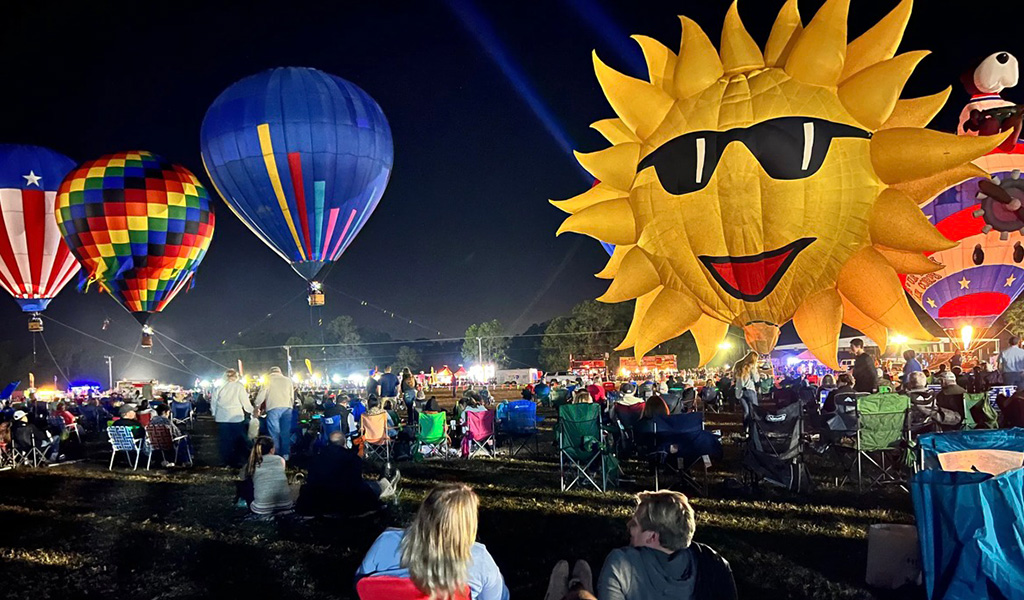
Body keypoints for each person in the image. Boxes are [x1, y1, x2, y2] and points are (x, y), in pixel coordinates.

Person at [545, 490, 736, 600]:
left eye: (635, 524)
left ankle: (574, 589)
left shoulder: (623, 564)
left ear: (652, 537)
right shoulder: (715, 564)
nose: (628, 526)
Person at [356, 483, 509, 600]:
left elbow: (360, 585)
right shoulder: (479, 559)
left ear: (423, 513)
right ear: (468, 523)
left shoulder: (386, 542)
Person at [296, 431, 399, 516]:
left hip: (320, 499)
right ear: (344, 443)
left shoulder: (315, 458)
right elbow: (356, 483)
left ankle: (385, 481)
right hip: (347, 500)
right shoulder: (352, 458)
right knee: (373, 486)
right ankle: (386, 481)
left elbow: (311, 480)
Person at [241, 436, 295, 516]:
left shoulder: (251, 464)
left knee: (245, 484)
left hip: (261, 509)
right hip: (286, 505)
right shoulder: (280, 460)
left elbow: (242, 477)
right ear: (272, 450)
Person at [212, 369, 254, 467]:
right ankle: (238, 460)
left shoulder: (218, 387)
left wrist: (214, 413)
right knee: (237, 439)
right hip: (236, 417)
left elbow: (213, 402)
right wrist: (251, 411)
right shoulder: (239, 386)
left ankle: (225, 460)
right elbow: (245, 402)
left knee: (225, 440)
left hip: (222, 417)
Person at [256, 366, 295, 461]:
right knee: (285, 432)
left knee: (274, 433)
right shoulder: (288, 380)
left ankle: (276, 453)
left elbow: (262, 394)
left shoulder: (268, 380)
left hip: (273, 407)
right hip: (287, 408)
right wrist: (291, 406)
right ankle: (286, 454)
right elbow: (292, 396)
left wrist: (257, 405)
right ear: (280, 372)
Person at [732, 352, 763, 418]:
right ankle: (753, 427)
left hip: (739, 390)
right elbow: (755, 379)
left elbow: (734, 378)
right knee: (754, 410)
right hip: (749, 390)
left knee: (746, 411)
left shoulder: (737, 364)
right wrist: (757, 374)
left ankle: (746, 426)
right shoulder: (751, 366)